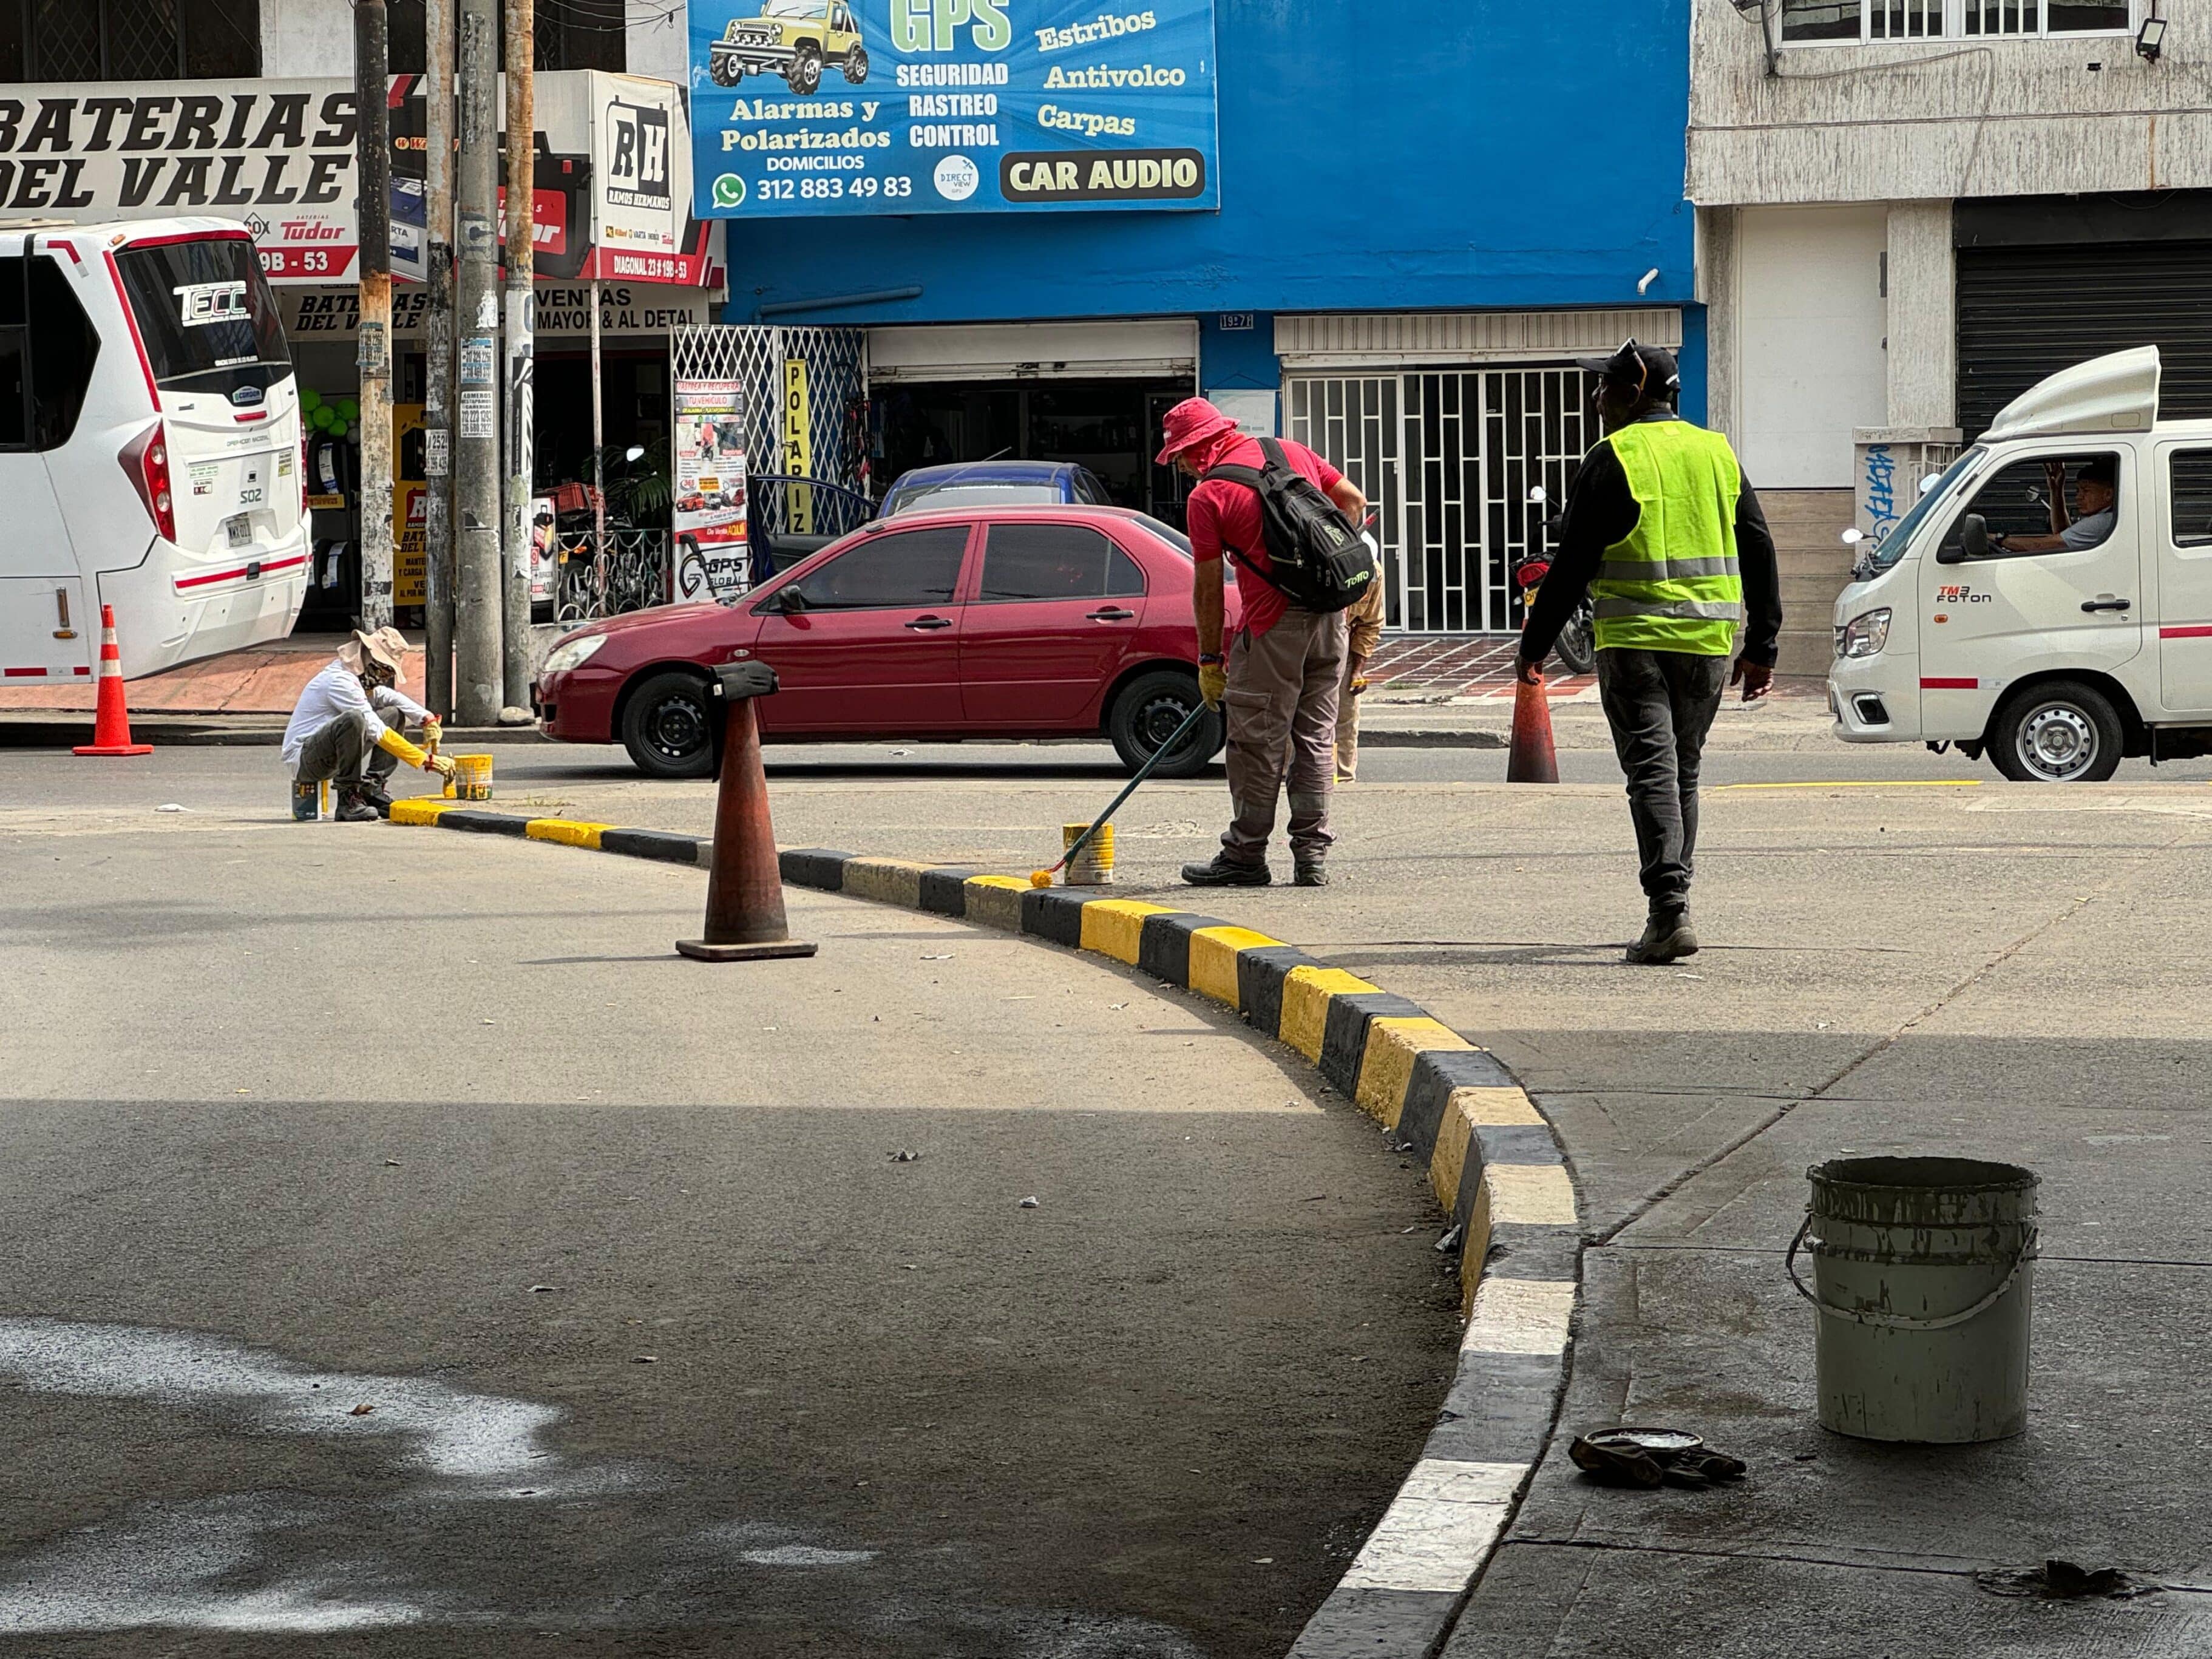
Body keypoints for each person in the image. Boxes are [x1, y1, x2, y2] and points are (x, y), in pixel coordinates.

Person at [1517, 341, 1782, 965]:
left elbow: (1573, 564)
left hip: (1634, 642)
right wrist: (1762, 643)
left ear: (1633, 393)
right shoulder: (1715, 453)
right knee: (1681, 773)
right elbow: (1759, 545)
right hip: (1706, 646)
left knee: (1652, 775)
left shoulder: (1613, 457)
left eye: (1603, 386)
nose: (1595, 397)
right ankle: (1672, 906)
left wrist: (1533, 645)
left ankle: (1668, 911)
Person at [1158, 397, 1368, 887]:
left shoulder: (1208, 498)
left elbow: (1208, 587)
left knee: (1256, 742)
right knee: (1316, 738)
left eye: (1182, 456)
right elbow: (1354, 502)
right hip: (1330, 618)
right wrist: (1329, 576)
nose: (1184, 468)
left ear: (1200, 447)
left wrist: (1209, 659)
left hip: (1273, 626)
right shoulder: (1291, 451)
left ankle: (1246, 854)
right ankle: (1312, 856)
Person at [283, 627, 457, 822]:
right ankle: (348, 798)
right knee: (354, 720)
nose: (385, 678)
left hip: (327, 756)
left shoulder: (354, 677)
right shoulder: (340, 681)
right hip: (306, 760)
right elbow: (377, 731)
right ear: (370, 660)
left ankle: (372, 788)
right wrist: (427, 761)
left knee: (393, 714)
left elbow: (389, 696)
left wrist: (427, 720)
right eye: (384, 670)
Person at [1991, 456, 2115, 553]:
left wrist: (1998, 539)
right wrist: (2056, 489)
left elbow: (2041, 546)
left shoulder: (2103, 522)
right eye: (2078, 491)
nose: (2079, 497)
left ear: (2108, 494)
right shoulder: (2107, 518)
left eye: (2086, 491)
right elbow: (2064, 535)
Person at [1335, 571, 1385, 782]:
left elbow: (1371, 624)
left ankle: (1343, 777)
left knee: (1346, 715)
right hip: (1306, 646)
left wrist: (1357, 670)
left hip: (1345, 647)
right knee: (1300, 716)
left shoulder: (1374, 573)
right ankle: (1290, 776)